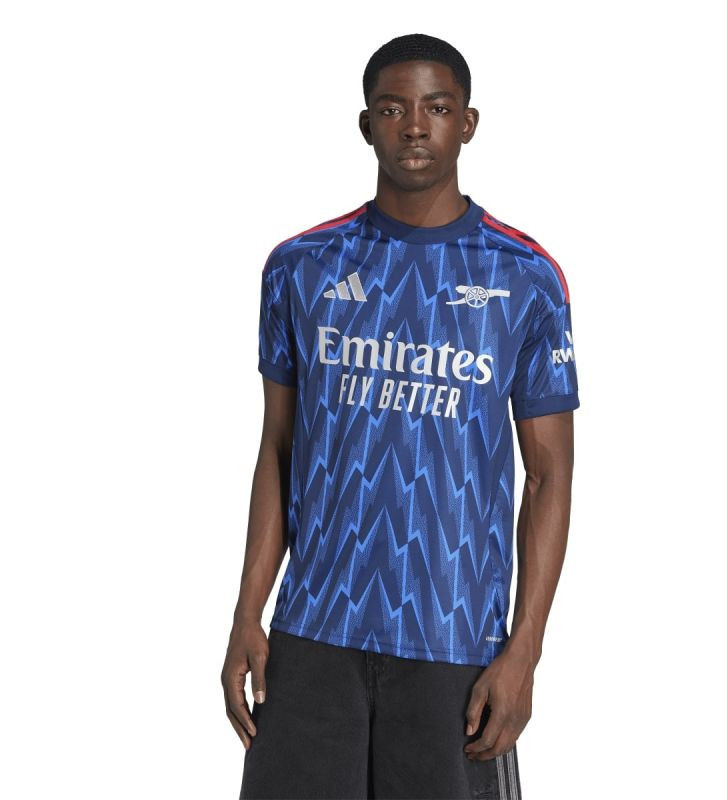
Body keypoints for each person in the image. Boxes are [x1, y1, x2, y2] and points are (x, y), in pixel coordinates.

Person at [221, 32, 580, 800]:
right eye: (393, 109)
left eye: (436, 108)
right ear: (366, 125)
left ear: (468, 123)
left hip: (454, 638)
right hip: (314, 631)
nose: (414, 127)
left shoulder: (525, 277)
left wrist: (523, 652)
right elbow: (278, 449)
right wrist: (248, 612)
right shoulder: (301, 267)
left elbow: (548, 476)